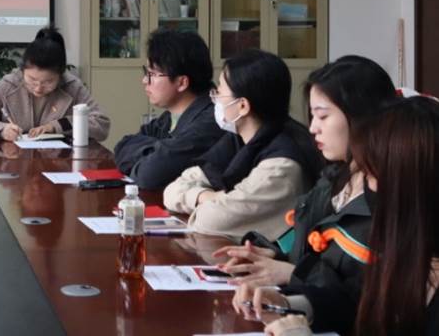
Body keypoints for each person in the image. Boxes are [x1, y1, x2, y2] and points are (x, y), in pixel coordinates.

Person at [214, 56, 397, 334]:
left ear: (361, 117)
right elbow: (313, 249)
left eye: (323, 116)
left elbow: (360, 297)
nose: (313, 128)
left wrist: (291, 273)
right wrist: (276, 257)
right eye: (312, 116)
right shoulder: (333, 178)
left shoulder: (387, 197)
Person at [243, 96, 439, 336]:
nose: (365, 186)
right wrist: (289, 304)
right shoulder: (407, 253)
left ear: (412, 186)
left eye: (371, 175)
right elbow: (355, 303)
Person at [163, 49, 322, 240]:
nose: (215, 98)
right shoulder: (239, 139)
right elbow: (172, 190)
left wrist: (209, 201)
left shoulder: (281, 166)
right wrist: (206, 196)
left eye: (219, 92)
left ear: (243, 106)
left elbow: (210, 221)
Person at [113, 29, 223, 189]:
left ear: (181, 82)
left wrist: (156, 152)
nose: (144, 80)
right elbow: (122, 147)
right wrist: (160, 148)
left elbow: (148, 175)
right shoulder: (170, 117)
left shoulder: (210, 122)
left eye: (152, 74)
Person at [0, 27, 110, 143]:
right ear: (22, 70)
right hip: (13, 161)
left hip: (59, 162)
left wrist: (57, 126)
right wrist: (1, 130)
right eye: (32, 79)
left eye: (48, 82)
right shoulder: (9, 84)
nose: (38, 88)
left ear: (61, 75)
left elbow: (101, 124)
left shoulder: (72, 86)